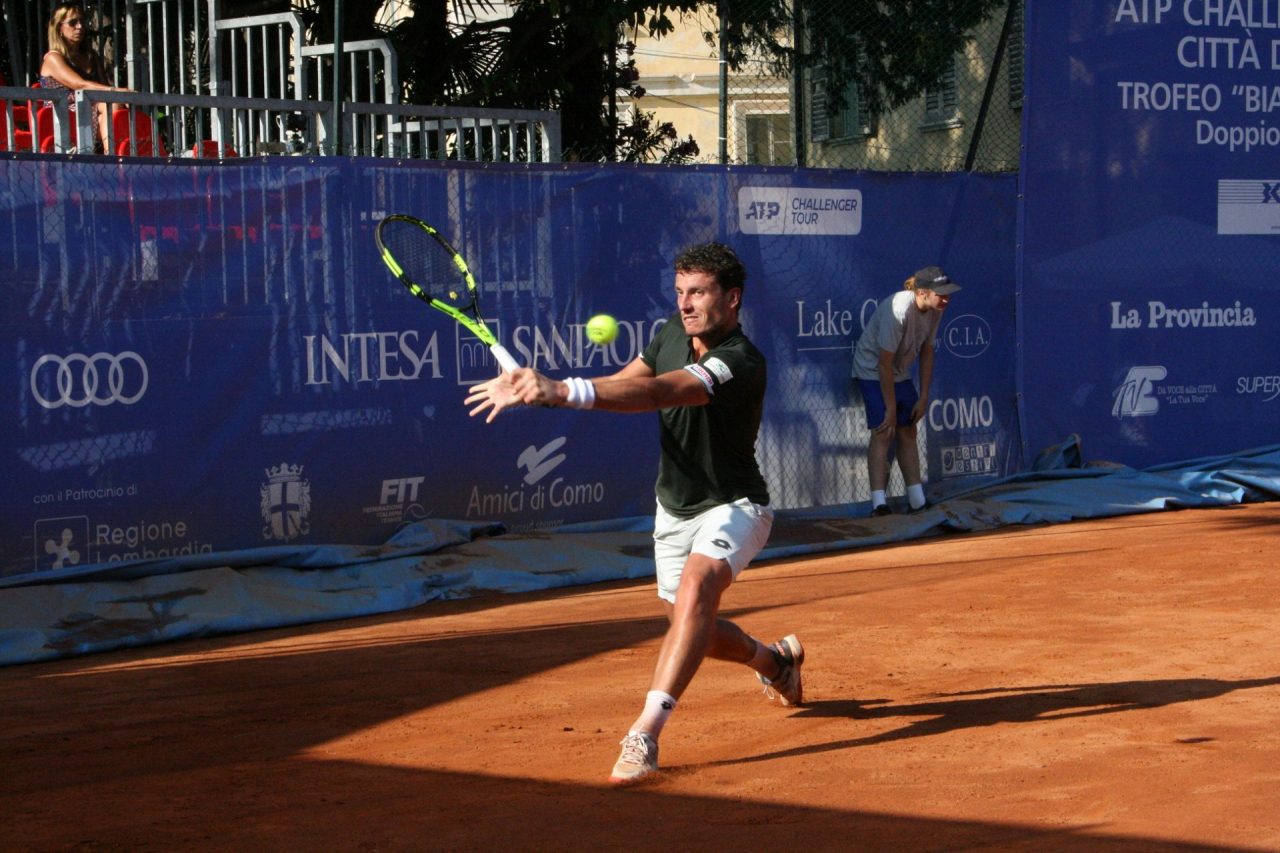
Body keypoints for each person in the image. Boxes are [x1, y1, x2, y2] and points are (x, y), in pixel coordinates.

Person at [465, 241, 803, 785]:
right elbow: (629, 382)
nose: (685, 303)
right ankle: (775, 662)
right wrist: (548, 392)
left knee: (696, 592)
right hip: (673, 508)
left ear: (732, 298)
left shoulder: (741, 359)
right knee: (691, 628)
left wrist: (563, 389)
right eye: (679, 292)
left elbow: (660, 392)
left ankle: (644, 732)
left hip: (736, 504)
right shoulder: (671, 332)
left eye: (698, 292)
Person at [852, 265, 960, 516]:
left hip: (898, 372)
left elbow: (928, 352)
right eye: (940, 293)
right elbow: (883, 363)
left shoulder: (936, 309)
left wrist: (923, 397)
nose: (946, 298)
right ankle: (879, 504)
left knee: (908, 430)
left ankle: (917, 501)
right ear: (922, 292)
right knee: (883, 431)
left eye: (947, 293)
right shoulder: (899, 310)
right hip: (872, 370)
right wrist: (890, 409)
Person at [40, 3, 129, 149]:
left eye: (82, 21)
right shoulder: (53, 58)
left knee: (114, 105)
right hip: (61, 115)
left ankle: (117, 153)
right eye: (73, 22)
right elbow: (79, 85)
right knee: (112, 103)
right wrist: (117, 91)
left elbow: (103, 89)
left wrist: (116, 94)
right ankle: (111, 156)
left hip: (89, 112)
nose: (80, 26)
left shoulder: (91, 57)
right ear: (59, 28)